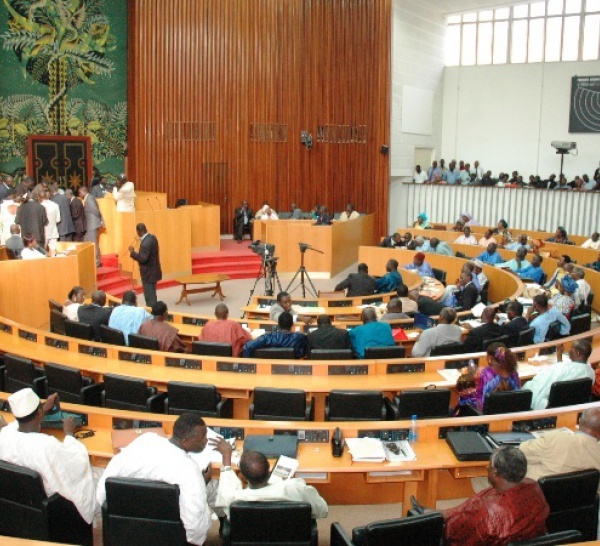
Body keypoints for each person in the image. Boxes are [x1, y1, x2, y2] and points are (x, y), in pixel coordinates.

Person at [97, 413, 213, 546]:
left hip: (126, 533)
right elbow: (195, 528)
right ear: (185, 441)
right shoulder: (190, 470)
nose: (206, 441)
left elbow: (102, 493)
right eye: (202, 438)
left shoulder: (146, 439)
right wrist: (202, 485)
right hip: (167, 538)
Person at [0, 388, 96, 524]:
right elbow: (76, 465)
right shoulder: (46, 445)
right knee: (97, 473)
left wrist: (43, 409)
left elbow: (15, 425)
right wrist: (69, 434)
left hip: (18, 508)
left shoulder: (4, 436)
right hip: (53, 511)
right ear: (39, 413)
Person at [424, 447, 548, 546]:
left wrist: (439, 525)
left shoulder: (488, 513)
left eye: (489, 466)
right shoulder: (532, 485)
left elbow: (453, 536)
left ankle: (433, 517)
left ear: (494, 472)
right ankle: (438, 514)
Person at [214, 446, 328, 519]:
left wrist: (226, 457)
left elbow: (225, 491)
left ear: (242, 477)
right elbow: (322, 510)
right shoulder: (296, 488)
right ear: (269, 468)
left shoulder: (235, 500)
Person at [520, 407, 600, 487]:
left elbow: (521, 452)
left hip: (536, 495)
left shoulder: (555, 439)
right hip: (580, 498)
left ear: (579, 421)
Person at [522, 340, 593, 410]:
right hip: (571, 407)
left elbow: (540, 388)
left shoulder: (560, 368)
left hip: (549, 409)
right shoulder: (591, 372)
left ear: (577, 353)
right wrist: (559, 355)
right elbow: (566, 378)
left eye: (571, 348)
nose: (568, 351)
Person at [473, 343, 520, 412]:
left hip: (489, 417)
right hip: (513, 415)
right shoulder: (514, 373)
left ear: (490, 359)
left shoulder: (485, 374)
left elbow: (481, 401)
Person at [243, 311, 307, 358]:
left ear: (278, 324)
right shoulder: (300, 338)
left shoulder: (268, 337)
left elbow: (248, 347)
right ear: (292, 324)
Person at [128, 223, 162, 307]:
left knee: (150, 298)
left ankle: (153, 316)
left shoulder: (145, 243)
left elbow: (143, 259)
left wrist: (132, 252)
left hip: (148, 274)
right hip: (154, 271)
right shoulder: (152, 238)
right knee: (152, 294)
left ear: (138, 232)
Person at [78, 186, 104, 268]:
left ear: (83, 191)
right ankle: (88, 260)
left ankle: (97, 262)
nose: (79, 195)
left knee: (94, 243)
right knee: (86, 242)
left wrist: (101, 220)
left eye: (79, 193)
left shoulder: (89, 199)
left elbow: (95, 210)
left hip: (93, 224)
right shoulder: (89, 198)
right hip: (90, 224)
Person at [39, 190, 60, 256]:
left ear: (39, 197)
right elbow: (58, 219)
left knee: (43, 252)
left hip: (44, 232)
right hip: (53, 231)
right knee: (53, 250)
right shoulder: (55, 205)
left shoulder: (39, 206)